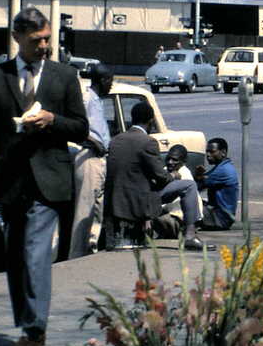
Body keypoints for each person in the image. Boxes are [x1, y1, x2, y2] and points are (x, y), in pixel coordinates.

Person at [0, 7, 88, 346]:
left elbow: (81, 127)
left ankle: (34, 332)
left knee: (35, 252)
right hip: (10, 180)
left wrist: (52, 120)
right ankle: (27, 323)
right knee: (15, 256)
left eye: (47, 38)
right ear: (17, 38)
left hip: (49, 180)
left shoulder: (65, 76)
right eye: (36, 41)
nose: (44, 46)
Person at [104, 101, 170, 250]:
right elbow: (161, 176)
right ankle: (189, 232)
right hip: (136, 201)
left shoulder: (115, 140)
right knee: (188, 186)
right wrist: (175, 176)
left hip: (115, 199)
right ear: (151, 120)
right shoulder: (148, 142)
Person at [68, 63, 114, 259]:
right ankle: (76, 255)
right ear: (103, 80)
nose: (111, 86)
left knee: (96, 211)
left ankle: (89, 251)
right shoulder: (86, 99)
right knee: (83, 211)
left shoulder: (97, 101)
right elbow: (73, 125)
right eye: (110, 82)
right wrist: (92, 140)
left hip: (100, 159)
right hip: (88, 157)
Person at [156, 144, 204, 250]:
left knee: (156, 216)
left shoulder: (184, 175)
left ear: (183, 162)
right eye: (168, 159)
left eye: (174, 160)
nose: (170, 162)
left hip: (180, 219)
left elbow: (174, 206)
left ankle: (188, 235)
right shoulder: (166, 170)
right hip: (170, 214)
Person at [194, 137, 239, 230]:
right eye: (207, 152)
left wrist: (198, 176)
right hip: (218, 214)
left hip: (220, 219)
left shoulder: (224, 170)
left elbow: (196, 186)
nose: (208, 155)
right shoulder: (221, 167)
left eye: (212, 152)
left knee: (187, 203)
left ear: (223, 152)